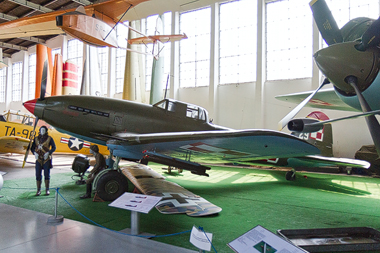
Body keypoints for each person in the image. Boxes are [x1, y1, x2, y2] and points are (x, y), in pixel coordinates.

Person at [31, 126, 56, 196]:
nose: (42, 131)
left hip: (46, 159)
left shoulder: (49, 138)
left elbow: (54, 147)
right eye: (41, 130)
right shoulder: (36, 139)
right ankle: (38, 190)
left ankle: (47, 189)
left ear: (46, 131)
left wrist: (49, 152)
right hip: (38, 159)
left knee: (46, 174)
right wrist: (34, 153)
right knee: (38, 174)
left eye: (44, 130)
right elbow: (32, 148)